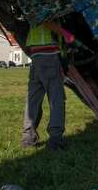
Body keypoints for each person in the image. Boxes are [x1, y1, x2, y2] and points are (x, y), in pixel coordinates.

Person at [23, 21, 75, 150]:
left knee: (33, 101)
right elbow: (47, 21)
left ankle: (28, 138)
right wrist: (66, 34)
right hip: (49, 57)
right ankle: (55, 139)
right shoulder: (43, 5)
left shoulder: (29, 8)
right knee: (56, 99)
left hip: (35, 57)